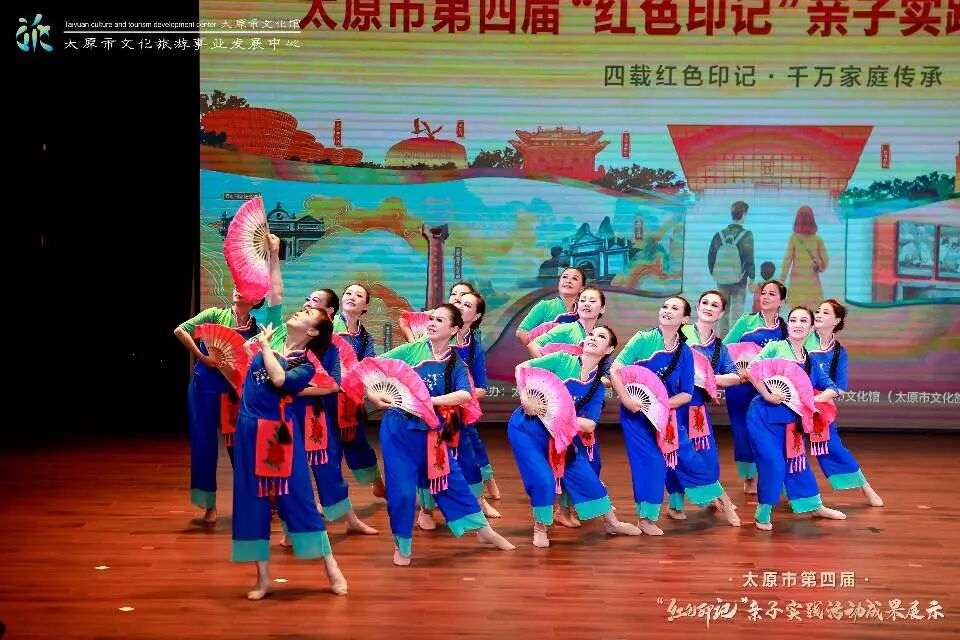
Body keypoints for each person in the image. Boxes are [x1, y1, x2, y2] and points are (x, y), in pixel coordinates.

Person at [370, 304, 515, 565]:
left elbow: (465, 394)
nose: (431, 323)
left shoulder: (455, 362)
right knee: (402, 491)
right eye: (431, 318)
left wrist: (429, 401)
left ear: (454, 328)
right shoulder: (411, 350)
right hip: (398, 429)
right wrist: (374, 395)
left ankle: (484, 532)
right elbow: (373, 370)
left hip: (430, 430)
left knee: (451, 481)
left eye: (439, 320)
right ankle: (402, 546)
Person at [231, 310, 348, 599]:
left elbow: (279, 378)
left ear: (312, 332)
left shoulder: (305, 366)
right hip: (248, 431)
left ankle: (331, 567)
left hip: (279, 435)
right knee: (251, 502)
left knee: (299, 498)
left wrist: (265, 346)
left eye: (307, 313)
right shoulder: (274, 341)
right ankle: (263, 579)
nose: (300, 311)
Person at [173, 234, 278, 523]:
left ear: (256, 299)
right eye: (236, 285)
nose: (237, 289)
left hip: (236, 390)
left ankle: (257, 499)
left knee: (243, 446)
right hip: (205, 385)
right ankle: (209, 505)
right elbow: (180, 330)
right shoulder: (215, 314)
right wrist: (202, 356)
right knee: (204, 444)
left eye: (245, 288)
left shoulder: (258, 328)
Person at [509, 327, 640, 547]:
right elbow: (522, 368)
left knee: (586, 475)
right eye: (592, 334)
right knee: (543, 479)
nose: (593, 338)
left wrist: (555, 414)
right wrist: (525, 398)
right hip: (527, 428)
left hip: (559, 434)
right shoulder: (561, 359)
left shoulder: (597, 386)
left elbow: (589, 425)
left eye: (601, 337)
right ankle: (540, 527)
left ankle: (612, 523)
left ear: (609, 349)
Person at [744, 306, 847, 531]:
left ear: (811, 328)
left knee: (797, 463)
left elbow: (833, 388)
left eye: (803, 321)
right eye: (793, 320)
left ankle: (813, 505)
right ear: (788, 324)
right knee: (774, 463)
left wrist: (811, 399)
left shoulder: (810, 360)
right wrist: (768, 395)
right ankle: (763, 511)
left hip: (791, 421)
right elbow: (752, 371)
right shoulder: (775, 347)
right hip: (763, 416)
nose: (797, 325)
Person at [609, 297, 696, 536]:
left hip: (663, 416)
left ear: (685, 319)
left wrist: (659, 406)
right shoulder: (643, 339)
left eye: (674, 308)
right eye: (665, 306)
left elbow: (687, 394)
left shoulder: (685, 352)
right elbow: (615, 370)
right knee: (650, 463)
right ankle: (645, 518)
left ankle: (650, 515)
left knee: (665, 463)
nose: (667, 310)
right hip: (635, 415)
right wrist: (628, 401)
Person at [668, 290, 743, 526]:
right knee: (674, 454)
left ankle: (713, 494)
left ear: (721, 313)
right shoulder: (679, 334)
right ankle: (675, 503)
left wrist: (708, 378)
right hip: (672, 404)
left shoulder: (719, 348)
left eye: (715, 305)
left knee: (706, 456)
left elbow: (734, 376)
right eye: (705, 303)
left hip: (696, 409)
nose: (709, 307)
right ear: (698, 308)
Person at [805, 299, 884, 507]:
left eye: (825, 312)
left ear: (836, 320)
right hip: (793, 402)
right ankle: (794, 494)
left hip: (819, 407)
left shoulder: (839, 352)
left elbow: (839, 387)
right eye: (818, 311)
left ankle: (865, 487)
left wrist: (818, 398)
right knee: (789, 448)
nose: (818, 315)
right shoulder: (802, 338)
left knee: (833, 447)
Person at [723, 280, 789, 494]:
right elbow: (724, 350)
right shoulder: (746, 321)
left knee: (769, 432)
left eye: (772, 294)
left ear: (782, 301)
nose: (765, 297)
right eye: (763, 293)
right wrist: (736, 371)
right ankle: (749, 476)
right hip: (742, 385)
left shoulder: (786, 328)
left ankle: (773, 476)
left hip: (770, 387)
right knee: (742, 431)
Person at [333, 284, 387, 499]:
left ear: (365, 306)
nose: (352, 297)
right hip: (327, 398)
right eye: (348, 293)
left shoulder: (365, 338)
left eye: (358, 295)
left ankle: (377, 484)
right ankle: (332, 499)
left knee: (359, 444)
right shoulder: (328, 326)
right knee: (331, 451)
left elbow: (368, 368)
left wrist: (371, 392)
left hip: (352, 401)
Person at [708, 201, 754, 336]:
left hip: (722, 280)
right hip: (740, 280)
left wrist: (716, 274)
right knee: (737, 315)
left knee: (723, 313)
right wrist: (751, 279)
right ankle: (735, 342)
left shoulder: (719, 235)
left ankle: (723, 341)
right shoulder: (747, 235)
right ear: (743, 214)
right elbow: (749, 258)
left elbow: (711, 258)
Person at [516, 267, 585, 345]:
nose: (568, 281)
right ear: (559, 283)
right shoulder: (545, 306)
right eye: (565, 277)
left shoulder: (583, 312)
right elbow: (521, 332)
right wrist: (536, 349)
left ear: (581, 288)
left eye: (574, 278)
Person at [780, 206, 829, 311]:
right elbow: (825, 261)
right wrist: (819, 266)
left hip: (797, 285)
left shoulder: (794, 238)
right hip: (813, 285)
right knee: (812, 314)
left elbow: (787, 261)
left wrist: (782, 280)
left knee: (797, 314)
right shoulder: (817, 239)